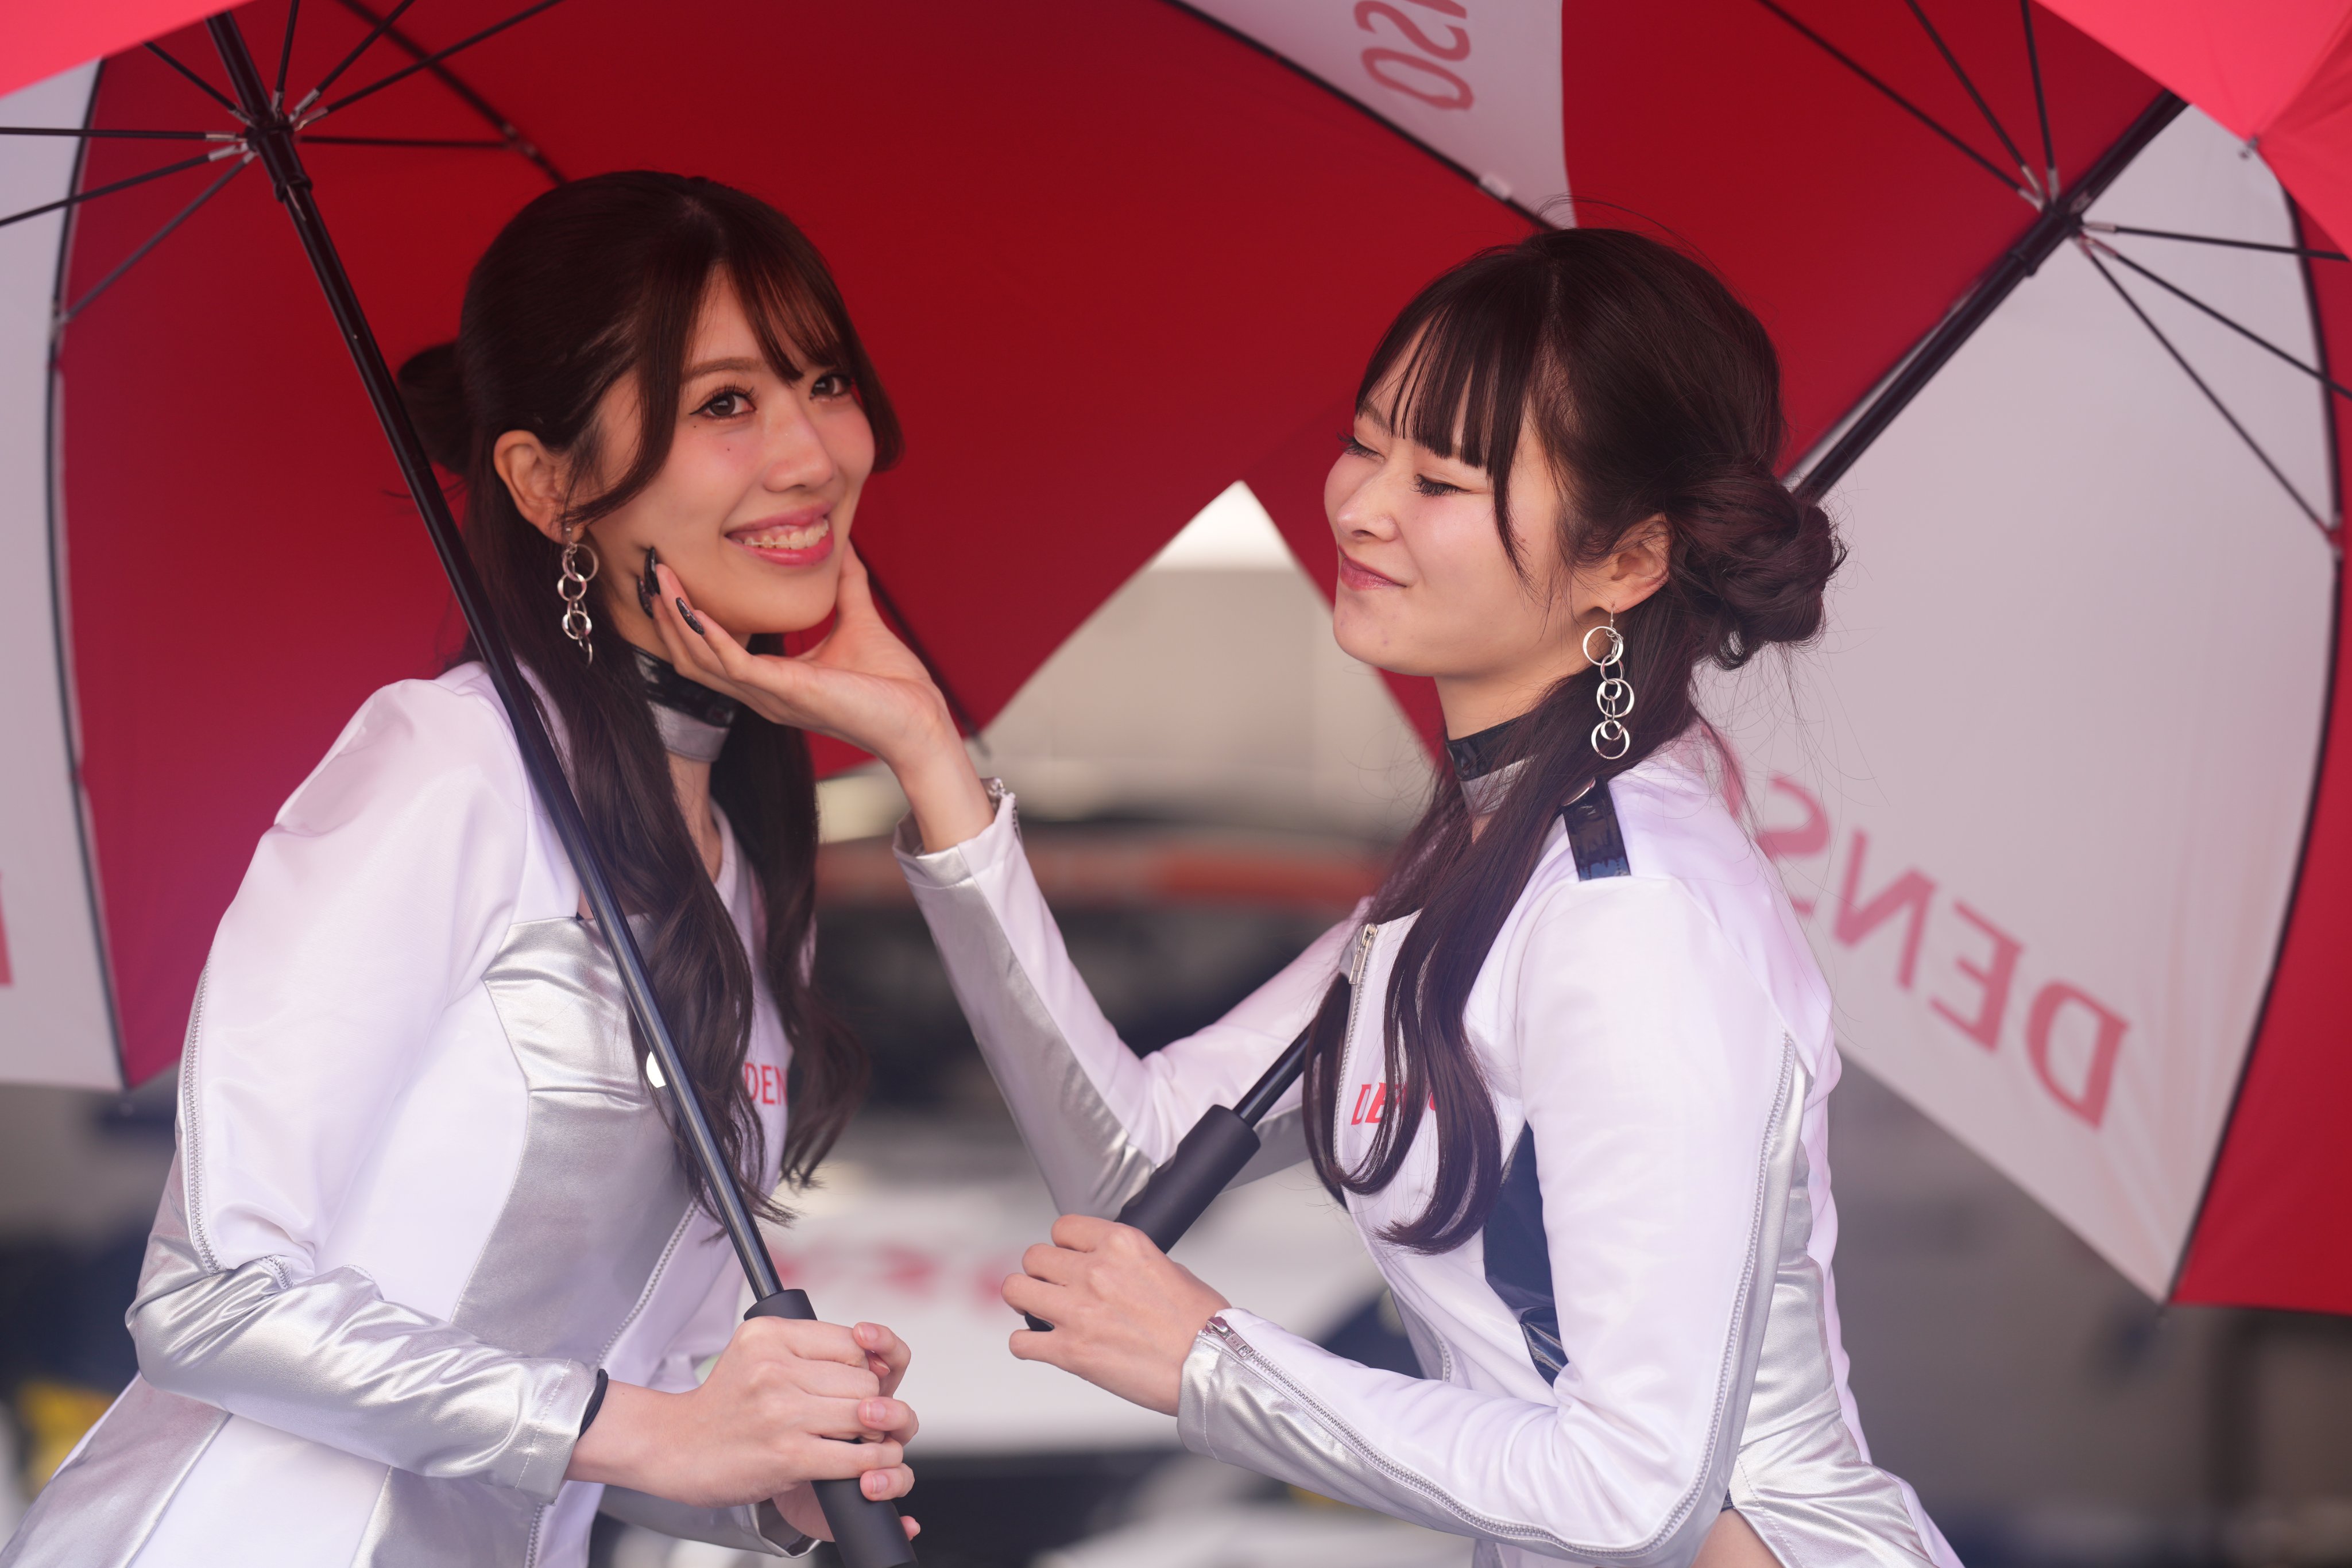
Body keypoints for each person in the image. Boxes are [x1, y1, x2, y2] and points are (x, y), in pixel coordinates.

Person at [638, 227, 1966, 1568]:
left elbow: (1638, 1488)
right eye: (1363, 442)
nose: (1360, 506)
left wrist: (1211, 1360)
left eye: (1438, 479)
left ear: (1625, 563)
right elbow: (1129, 1164)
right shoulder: (1479, 865)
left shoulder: (1634, 915)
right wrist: (929, 756)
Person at [2, 173, 922, 1568]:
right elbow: (210, 1297)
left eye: (824, 380)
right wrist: (647, 1432)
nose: (809, 454)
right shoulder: (450, 765)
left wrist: (759, 1478)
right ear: (549, 484)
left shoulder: (739, 874)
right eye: (724, 402)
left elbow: (618, 1380)